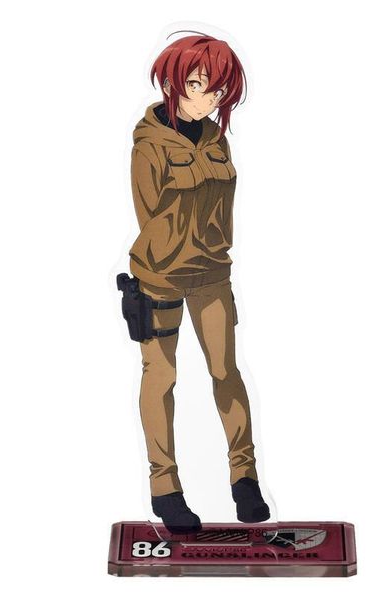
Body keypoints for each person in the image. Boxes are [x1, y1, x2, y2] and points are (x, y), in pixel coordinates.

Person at [128, 33, 269, 534]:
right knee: (161, 377)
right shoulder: (149, 145)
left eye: (218, 89)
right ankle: (165, 487)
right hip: (161, 277)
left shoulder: (215, 138)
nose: (209, 97)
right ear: (172, 83)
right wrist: (170, 258)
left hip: (213, 275)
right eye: (197, 84)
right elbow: (149, 214)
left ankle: (244, 478)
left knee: (226, 371)